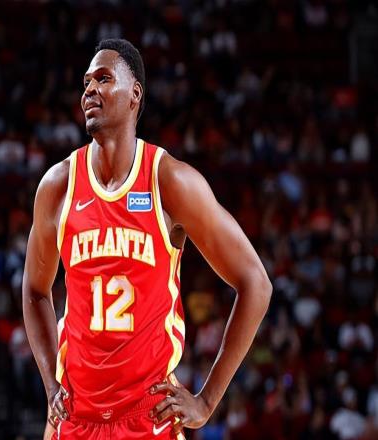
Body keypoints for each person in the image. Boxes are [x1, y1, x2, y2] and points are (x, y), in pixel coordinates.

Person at [22, 39, 272, 440]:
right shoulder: (58, 186)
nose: (90, 90)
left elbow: (256, 283)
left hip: (148, 417)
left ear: (135, 94)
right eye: (86, 82)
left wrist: (207, 401)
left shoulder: (169, 180)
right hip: (75, 416)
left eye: (104, 79)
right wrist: (52, 386)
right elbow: (35, 291)